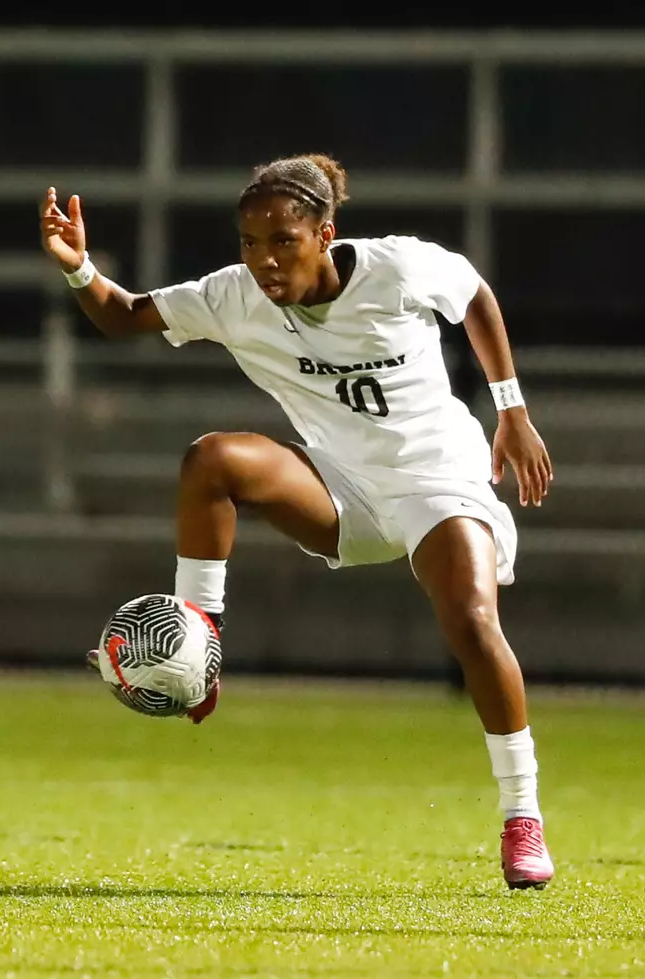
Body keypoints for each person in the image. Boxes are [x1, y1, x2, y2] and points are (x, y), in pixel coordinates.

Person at [39, 154, 556, 888]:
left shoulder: (396, 270)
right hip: (339, 487)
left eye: (283, 240)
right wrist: (78, 267)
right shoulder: (234, 296)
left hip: (437, 481)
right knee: (213, 459)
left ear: (324, 233)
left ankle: (521, 815)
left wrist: (512, 411)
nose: (265, 259)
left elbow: (474, 295)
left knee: (471, 621)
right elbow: (125, 316)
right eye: (250, 243)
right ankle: (202, 640)